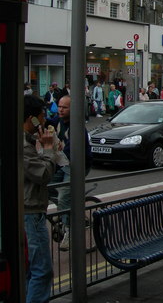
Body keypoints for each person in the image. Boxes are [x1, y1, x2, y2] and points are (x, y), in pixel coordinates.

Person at [23, 94, 56, 303]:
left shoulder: (27, 141)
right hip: (31, 213)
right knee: (42, 271)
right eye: (42, 116)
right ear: (32, 119)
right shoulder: (23, 147)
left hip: (30, 212)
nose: (44, 121)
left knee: (30, 271)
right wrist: (48, 150)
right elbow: (42, 175)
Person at [51, 95, 92, 251]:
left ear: (72, 109)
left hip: (77, 165)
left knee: (64, 196)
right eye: (59, 106)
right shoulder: (58, 121)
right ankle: (65, 210)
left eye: (64, 107)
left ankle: (69, 231)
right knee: (45, 186)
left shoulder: (77, 127)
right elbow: (46, 123)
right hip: (63, 163)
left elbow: (69, 151)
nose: (60, 110)